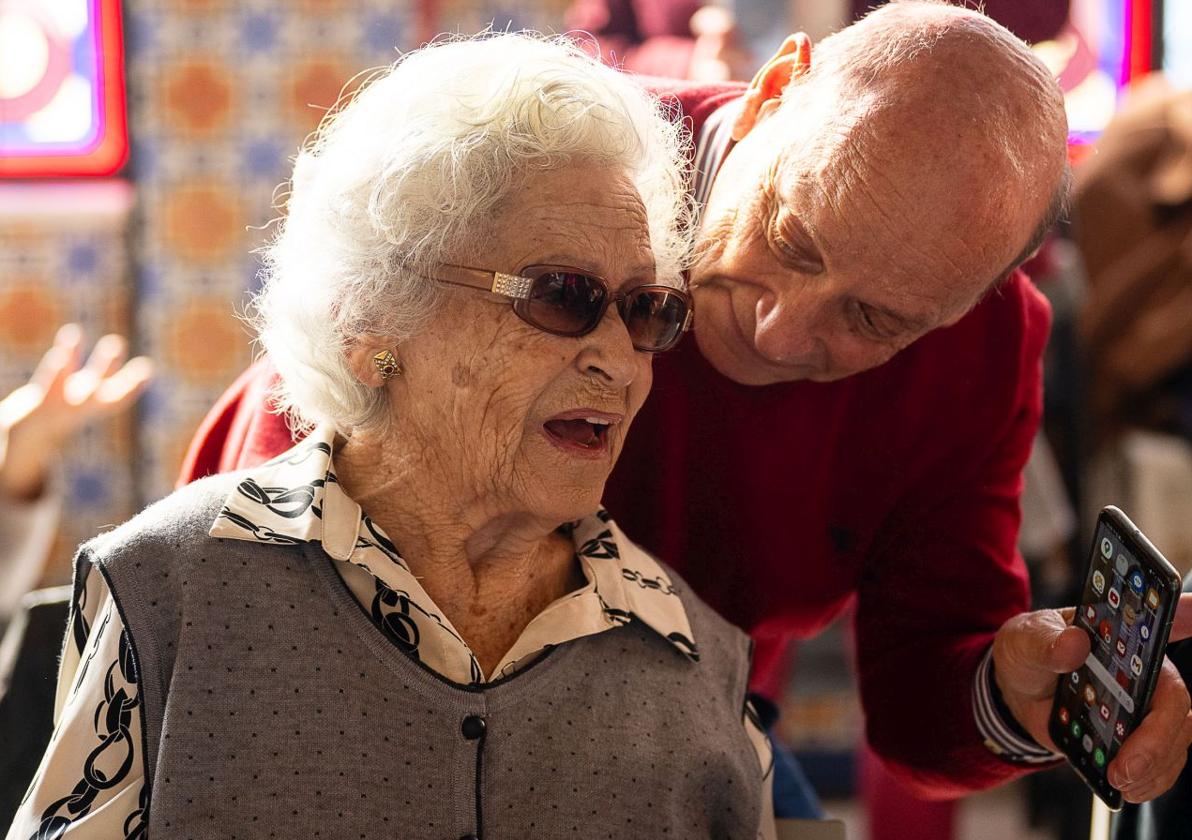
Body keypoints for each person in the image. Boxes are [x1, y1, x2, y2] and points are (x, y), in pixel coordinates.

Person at [182, 0, 1192, 811]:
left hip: (674, 719)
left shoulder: (980, 345)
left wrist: (1019, 691)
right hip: (341, 654)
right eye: (791, 240)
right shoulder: (540, 172)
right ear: (774, 91)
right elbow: (289, 547)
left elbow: (929, 689)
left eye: (875, 322)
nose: (783, 334)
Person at [7, 34, 783, 840]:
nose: (622, 363)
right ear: (372, 322)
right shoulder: (169, 595)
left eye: (645, 309)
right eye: (562, 296)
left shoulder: (693, 660)